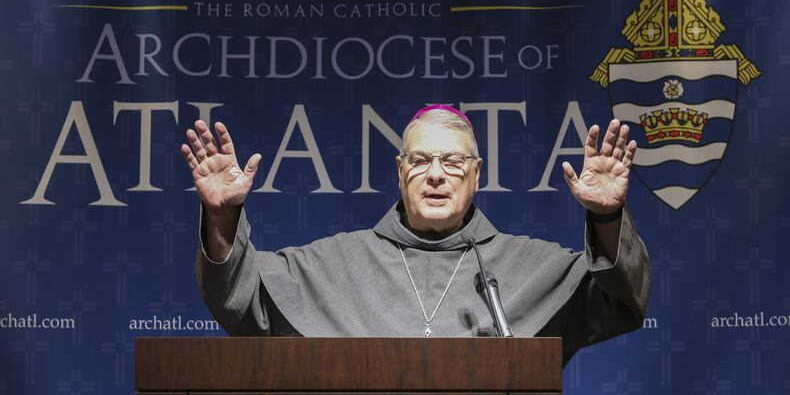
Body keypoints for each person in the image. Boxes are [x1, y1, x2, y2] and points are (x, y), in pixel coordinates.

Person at [181, 105, 650, 364]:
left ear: (477, 173)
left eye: (453, 162)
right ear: (399, 171)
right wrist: (222, 216)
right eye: (421, 161)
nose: (436, 175)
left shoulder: (535, 267)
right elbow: (240, 303)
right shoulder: (329, 264)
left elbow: (619, 304)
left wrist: (608, 219)